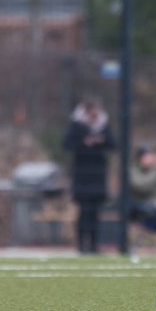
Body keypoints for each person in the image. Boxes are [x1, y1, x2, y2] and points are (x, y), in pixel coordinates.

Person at [62, 97, 115, 254]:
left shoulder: (103, 126)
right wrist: (83, 142)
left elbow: (113, 144)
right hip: (82, 175)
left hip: (98, 175)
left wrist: (100, 141)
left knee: (95, 213)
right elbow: (67, 144)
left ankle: (94, 245)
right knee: (83, 212)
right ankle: (81, 245)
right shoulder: (76, 125)